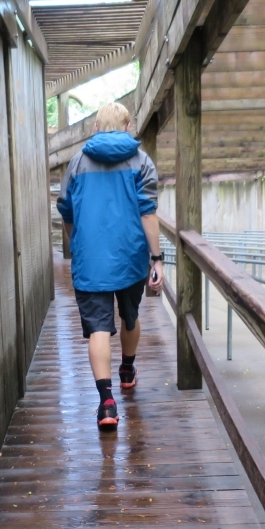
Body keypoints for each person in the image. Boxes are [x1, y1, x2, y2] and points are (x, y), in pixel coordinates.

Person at [56, 102, 164, 429]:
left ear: (95, 128)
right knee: (130, 315)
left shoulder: (77, 163)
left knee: (98, 328)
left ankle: (106, 403)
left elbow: (66, 210)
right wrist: (156, 258)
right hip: (130, 255)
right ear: (128, 127)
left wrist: (78, 243)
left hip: (90, 260)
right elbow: (148, 212)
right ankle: (127, 370)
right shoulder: (141, 161)